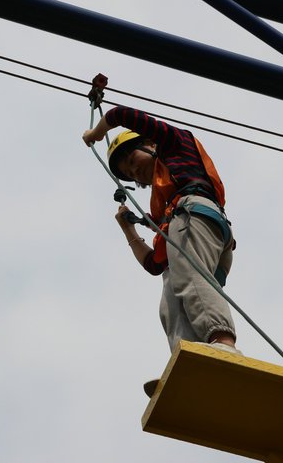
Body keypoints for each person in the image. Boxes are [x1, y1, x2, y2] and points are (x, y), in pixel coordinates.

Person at [82, 106, 242, 362]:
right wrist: (129, 230)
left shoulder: (173, 144)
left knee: (189, 276)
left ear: (150, 144)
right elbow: (155, 264)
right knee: (172, 301)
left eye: (133, 162)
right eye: (130, 173)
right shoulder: (166, 214)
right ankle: (195, 362)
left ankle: (222, 341)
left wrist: (96, 133)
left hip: (195, 218)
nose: (135, 173)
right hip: (201, 229)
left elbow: (120, 115)